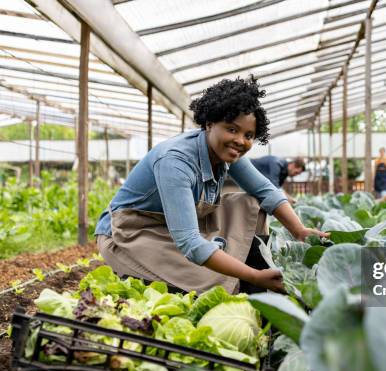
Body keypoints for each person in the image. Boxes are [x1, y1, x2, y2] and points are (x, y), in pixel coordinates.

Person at [95, 76, 327, 295]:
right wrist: (254, 275)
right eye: (232, 129)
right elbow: (191, 243)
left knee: (251, 203)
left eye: (249, 135)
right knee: (206, 280)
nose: (240, 140)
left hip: (172, 227)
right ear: (209, 123)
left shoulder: (225, 152)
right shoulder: (175, 161)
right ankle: (253, 282)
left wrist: (299, 231)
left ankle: (257, 288)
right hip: (130, 233)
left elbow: (266, 190)